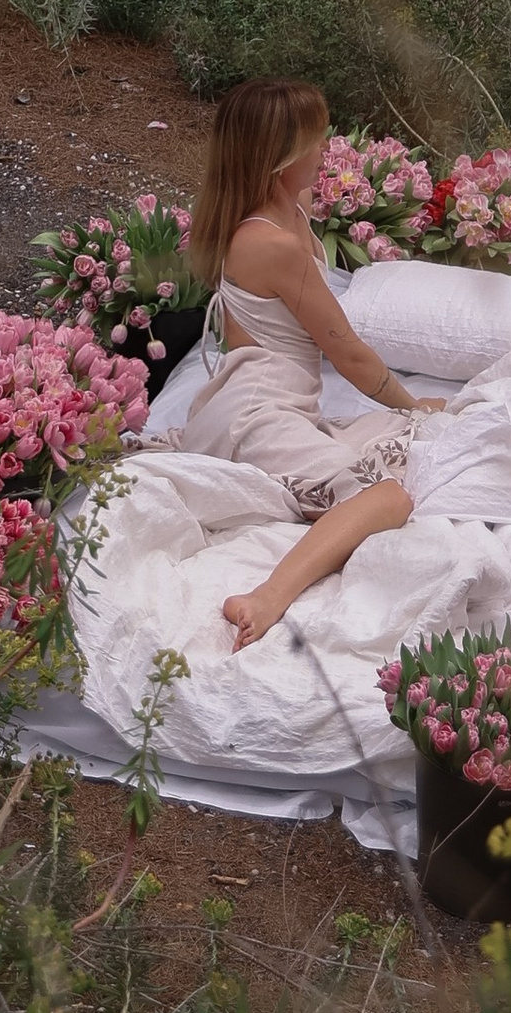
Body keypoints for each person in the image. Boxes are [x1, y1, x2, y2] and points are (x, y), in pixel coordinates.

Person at [164, 77, 446, 649]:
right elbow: (349, 355)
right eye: (315, 141)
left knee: (417, 437)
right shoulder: (272, 242)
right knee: (390, 495)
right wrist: (413, 403)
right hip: (257, 411)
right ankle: (266, 596)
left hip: (274, 399)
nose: (325, 150)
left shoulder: (284, 215)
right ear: (280, 157)